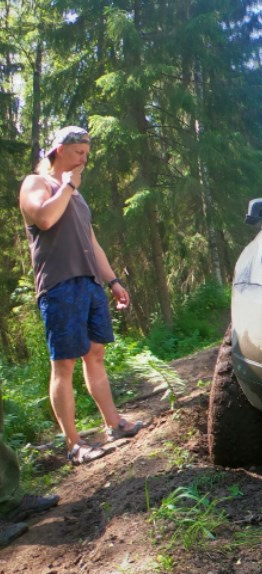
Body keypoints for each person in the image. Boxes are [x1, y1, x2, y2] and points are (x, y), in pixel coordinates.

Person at [17, 126, 144, 468]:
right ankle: (74, 445)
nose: (84, 159)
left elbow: (93, 244)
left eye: (87, 154)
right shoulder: (36, 184)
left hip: (90, 283)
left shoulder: (78, 197)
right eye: (78, 153)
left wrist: (113, 280)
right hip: (59, 285)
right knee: (64, 364)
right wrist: (68, 185)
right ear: (59, 150)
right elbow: (43, 218)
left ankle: (114, 424)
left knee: (96, 355)